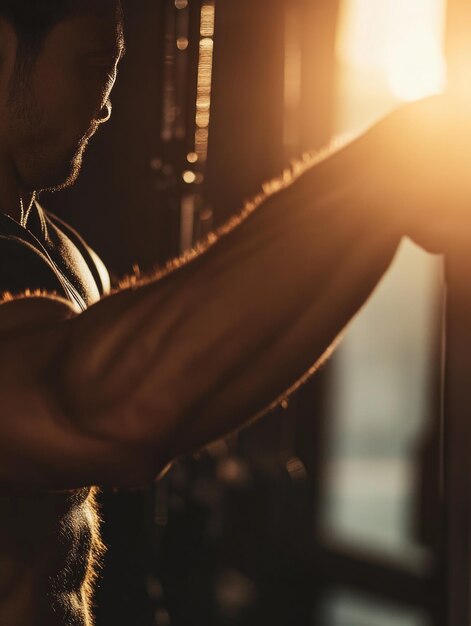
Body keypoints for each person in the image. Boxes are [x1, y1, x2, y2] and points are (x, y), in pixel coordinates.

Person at [0, 0, 469, 624]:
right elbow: (103, 415)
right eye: (89, 66)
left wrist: (387, 203)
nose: (106, 102)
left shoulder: (66, 254)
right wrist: (386, 170)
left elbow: (168, 411)